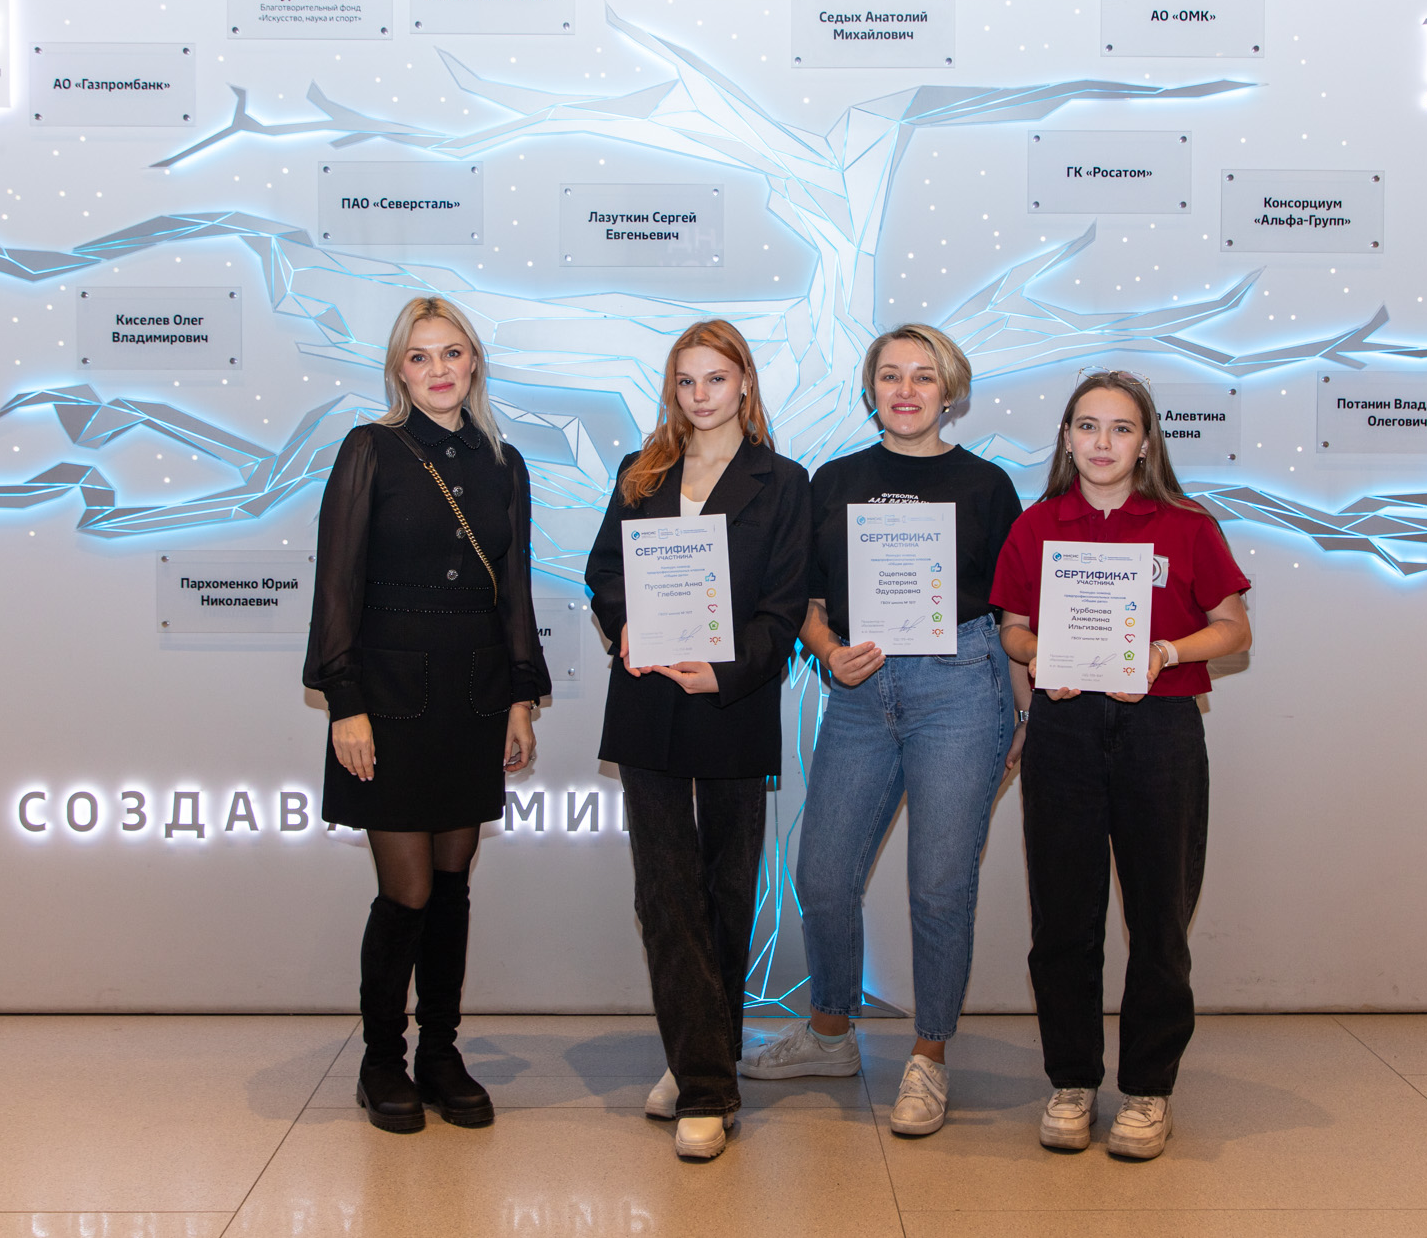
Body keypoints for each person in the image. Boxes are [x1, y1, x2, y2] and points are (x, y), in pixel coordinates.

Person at [739, 325, 1025, 1139]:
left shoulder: (987, 484)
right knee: (823, 872)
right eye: (890, 375)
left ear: (950, 390)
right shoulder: (834, 480)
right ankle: (831, 1034)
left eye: (924, 376)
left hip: (961, 689)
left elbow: (1014, 611)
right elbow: (805, 599)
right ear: (869, 390)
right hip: (861, 689)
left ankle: (929, 1055)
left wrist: (1022, 711)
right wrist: (829, 653)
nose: (906, 390)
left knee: (940, 881)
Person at [303, 296, 550, 1134]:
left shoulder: (503, 462)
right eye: (420, 356)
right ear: (398, 370)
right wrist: (344, 703)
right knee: (405, 890)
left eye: (451, 353)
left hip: (473, 695)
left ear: (473, 361)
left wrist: (520, 696)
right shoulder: (370, 448)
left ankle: (440, 1053)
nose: (438, 369)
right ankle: (382, 1058)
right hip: (389, 700)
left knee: (451, 885)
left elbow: (514, 590)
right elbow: (337, 583)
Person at [990, 369, 1252, 1159]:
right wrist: (1042, 653)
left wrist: (1165, 650)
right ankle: (1072, 1081)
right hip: (1065, 729)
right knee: (1063, 918)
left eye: (1121, 428)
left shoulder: (1186, 524)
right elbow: (1012, 628)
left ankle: (1147, 1087)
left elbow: (1234, 627)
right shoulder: (1036, 524)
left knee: (1160, 917)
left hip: (1160, 729)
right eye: (1087, 426)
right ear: (1067, 438)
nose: (1102, 442)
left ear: (1145, 443)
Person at [584, 319, 811, 1161]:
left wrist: (725, 672)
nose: (701, 394)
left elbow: (784, 606)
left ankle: (699, 1056)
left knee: (725, 889)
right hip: (647, 705)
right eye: (686, 380)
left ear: (744, 382)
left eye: (716, 378)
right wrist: (624, 623)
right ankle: (708, 1084)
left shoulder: (784, 482)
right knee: (663, 892)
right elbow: (604, 572)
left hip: (730, 705)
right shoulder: (641, 471)